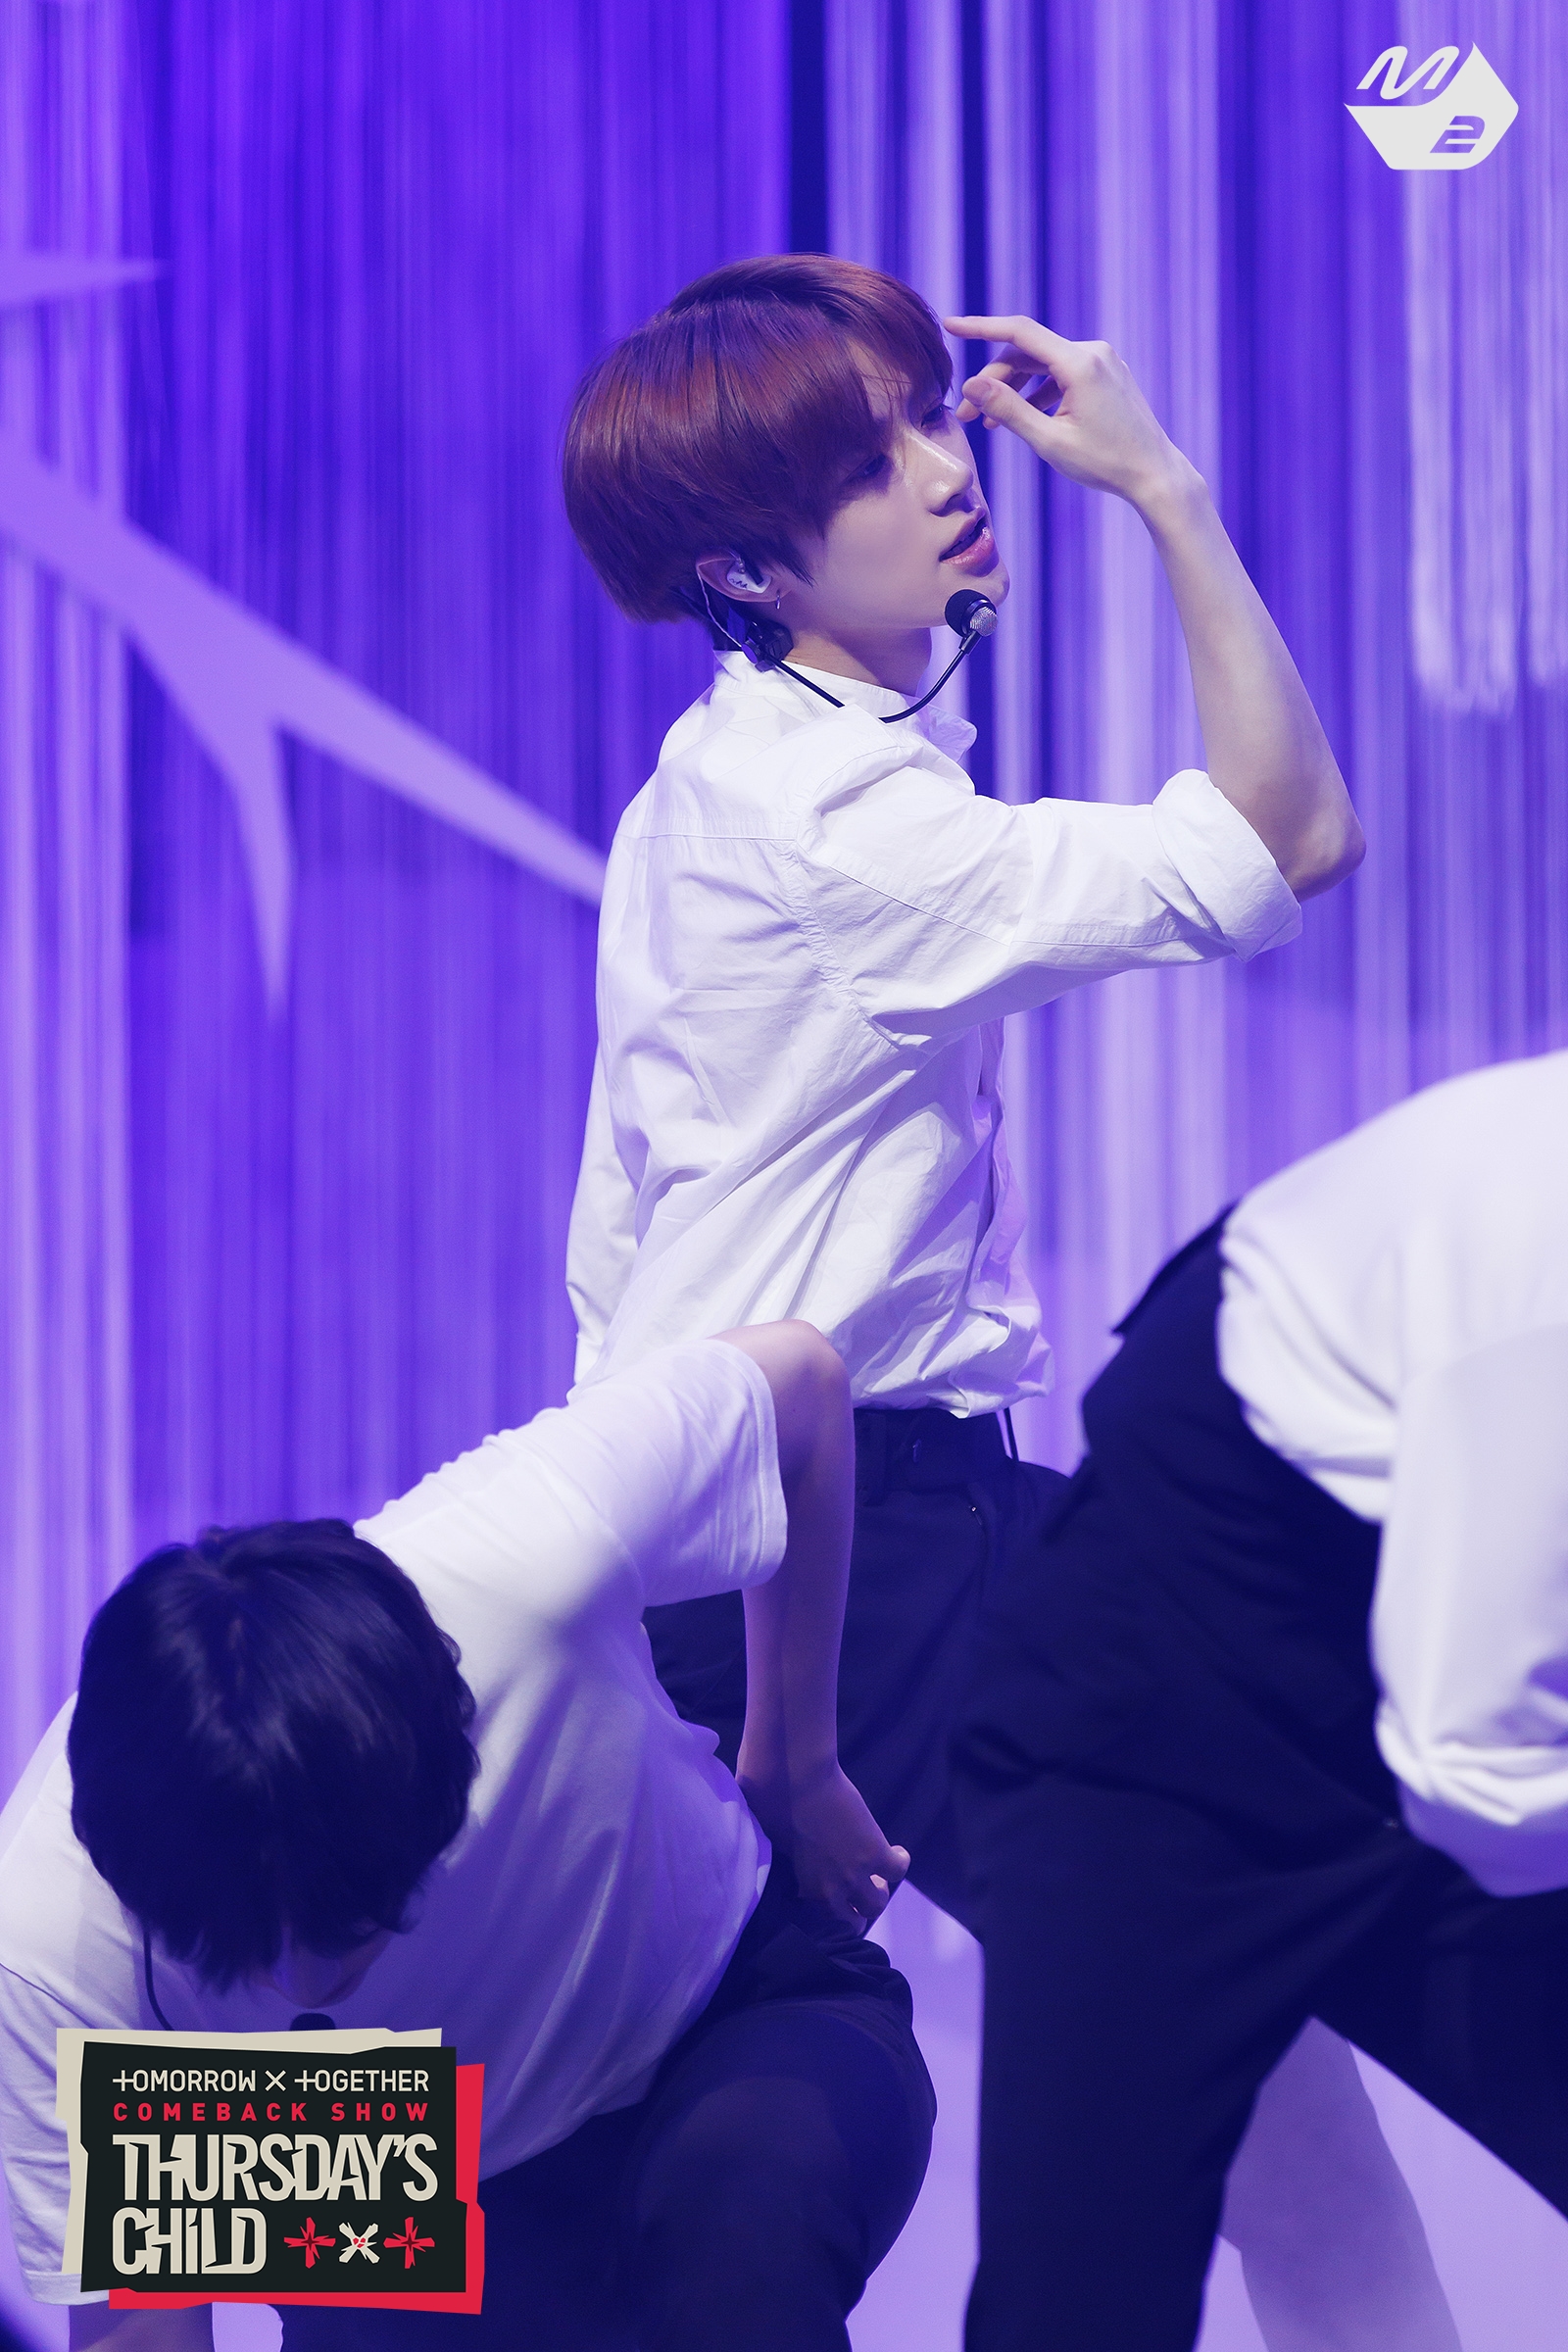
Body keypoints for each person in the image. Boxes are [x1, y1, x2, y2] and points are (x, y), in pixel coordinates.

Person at [561, 251, 1456, 2344]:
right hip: (837, 1541)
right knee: (1187, 2047)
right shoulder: (836, 819)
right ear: (741, 567)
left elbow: (625, 1218)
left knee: (1241, 2056)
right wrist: (1160, 489)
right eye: (859, 462)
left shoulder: (743, 765)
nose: (942, 469)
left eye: (917, 413)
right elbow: (1298, 834)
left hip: (817, 1514)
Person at [0, 1321, 936, 2352]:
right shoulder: (50, 1946)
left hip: (723, 2014)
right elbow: (143, 2319)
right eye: (243, 1951)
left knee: (738, 2246)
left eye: (347, 1919)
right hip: (373, 2153)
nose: (306, 1984)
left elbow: (803, 1385)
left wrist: (800, 1765)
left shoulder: (527, 1558)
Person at [956, 1049, 1568, 2351]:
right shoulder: (1544, 1294)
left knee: (1338, 2234)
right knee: (1083, 2302)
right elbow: (1478, 1762)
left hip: (1416, 1683)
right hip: (1153, 1725)